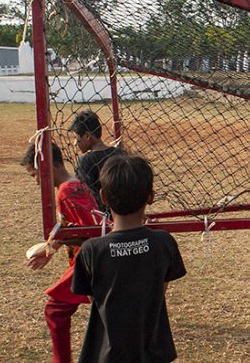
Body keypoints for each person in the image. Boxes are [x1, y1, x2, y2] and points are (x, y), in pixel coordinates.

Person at [72, 154, 186, 362]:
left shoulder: (91, 250)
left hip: (107, 355)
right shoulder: (164, 243)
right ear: (150, 196)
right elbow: (159, 289)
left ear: (103, 197)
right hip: (152, 354)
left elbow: (96, 299)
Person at [22, 142, 101, 363]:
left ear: (50, 166)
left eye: (36, 175)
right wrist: (51, 248)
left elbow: (92, 233)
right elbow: (71, 227)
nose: (37, 182)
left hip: (88, 260)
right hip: (87, 258)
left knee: (55, 310)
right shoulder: (73, 185)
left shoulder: (67, 190)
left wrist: (58, 242)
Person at [69, 110, 121, 209]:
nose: (75, 143)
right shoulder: (120, 153)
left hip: (101, 219)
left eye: (77, 138)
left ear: (87, 136)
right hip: (124, 213)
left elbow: (84, 195)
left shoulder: (86, 161)